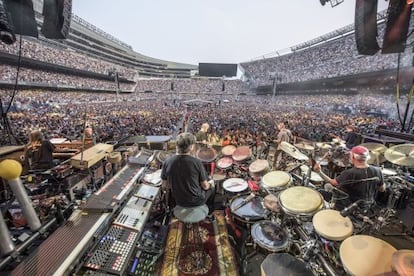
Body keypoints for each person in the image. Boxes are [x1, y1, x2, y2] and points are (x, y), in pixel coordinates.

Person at [313, 145, 385, 210]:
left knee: (320, 190)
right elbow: (382, 189)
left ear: (353, 157)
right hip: (369, 204)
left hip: (350, 205)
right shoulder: (377, 170)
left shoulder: (349, 173)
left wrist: (319, 172)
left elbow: (333, 182)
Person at [161, 132, 215, 214]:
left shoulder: (167, 162)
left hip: (178, 200)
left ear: (177, 145)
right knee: (212, 187)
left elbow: (165, 186)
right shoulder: (196, 162)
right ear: (191, 147)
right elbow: (205, 186)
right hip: (196, 201)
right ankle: (209, 211)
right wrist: (210, 183)